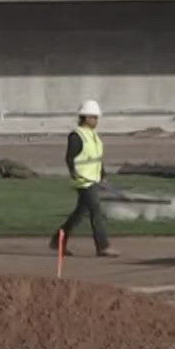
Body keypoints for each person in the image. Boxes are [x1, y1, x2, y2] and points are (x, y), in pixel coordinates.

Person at [51, 99, 118, 258]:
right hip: (83, 181)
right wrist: (74, 173)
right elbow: (70, 158)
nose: (96, 121)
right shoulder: (76, 135)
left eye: (96, 117)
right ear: (85, 117)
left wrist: (102, 176)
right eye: (94, 117)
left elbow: (96, 158)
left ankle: (57, 241)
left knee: (80, 214)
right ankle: (103, 246)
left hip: (92, 180)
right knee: (96, 211)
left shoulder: (93, 136)